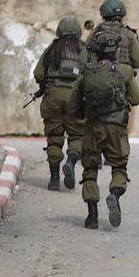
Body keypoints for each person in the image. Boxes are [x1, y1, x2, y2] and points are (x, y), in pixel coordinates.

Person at [67, 36, 139, 230]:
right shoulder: (124, 71)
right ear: (115, 51)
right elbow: (136, 98)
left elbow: (72, 106)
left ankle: (92, 216)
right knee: (119, 167)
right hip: (116, 128)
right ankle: (114, 194)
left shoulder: (86, 73)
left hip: (93, 128)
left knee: (90, 169)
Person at [32, 16, 90, 191]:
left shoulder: (52, 49)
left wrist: (45, 86)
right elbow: (91, 74)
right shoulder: (83, 49)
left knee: (55, 138)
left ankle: (54, 179)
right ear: (79, 32)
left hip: (53, 96)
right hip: (75, 98)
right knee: (77, 136)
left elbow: (39, 74)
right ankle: (71, 162)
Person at [86, 0, 139, 72]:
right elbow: (138, 63)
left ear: (103, 14)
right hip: (121, 76)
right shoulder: (130, 34)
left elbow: (85, 55)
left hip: (99, 75)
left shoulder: (96, 32)